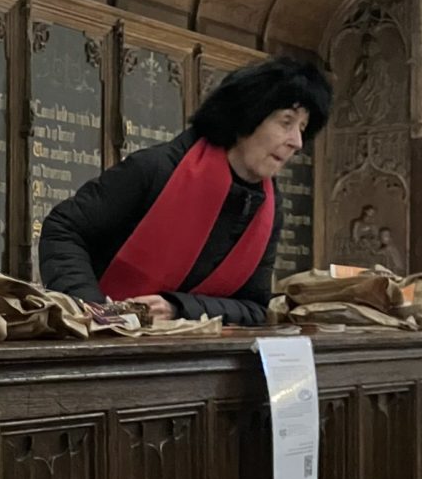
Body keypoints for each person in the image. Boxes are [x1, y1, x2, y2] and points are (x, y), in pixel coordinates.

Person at [39, 57, 332, 326]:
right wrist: (94, 311)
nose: (297, 141)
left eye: (303, 128)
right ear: (248, 116)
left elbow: (254, 308)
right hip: (103, 342)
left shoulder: (268, 209)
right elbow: (64, 228)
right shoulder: (155, 168)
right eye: (286, 122)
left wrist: (178, 308)